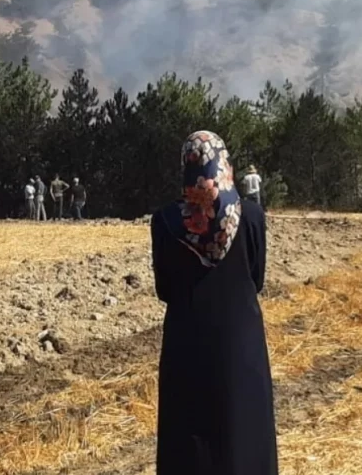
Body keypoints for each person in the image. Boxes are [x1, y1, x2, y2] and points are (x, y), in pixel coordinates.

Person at [150, 131, 277, 474]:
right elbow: (258, 278)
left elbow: (164, 289)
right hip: (241, 342)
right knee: (243, 430)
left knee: (189, 435)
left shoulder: (165, 221)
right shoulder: (251, 216)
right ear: (224, 164)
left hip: (186, 342)